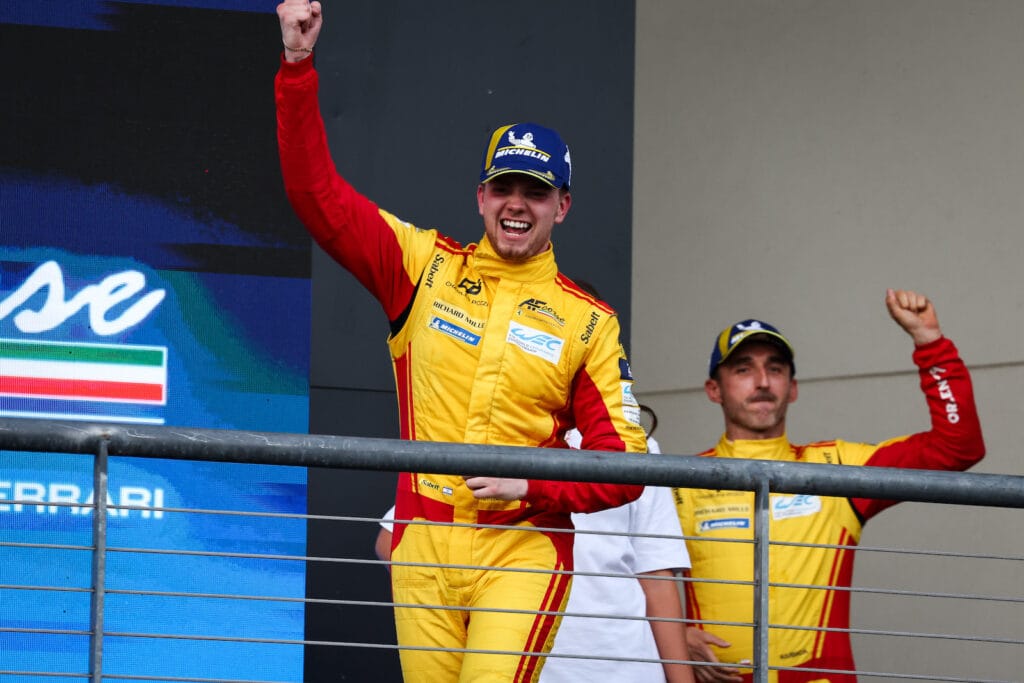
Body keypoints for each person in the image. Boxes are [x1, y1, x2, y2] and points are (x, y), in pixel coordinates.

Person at [275, 2, 648, 681]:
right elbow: (316, 196)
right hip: (424, 545)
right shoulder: (422, 266)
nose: (516, 203)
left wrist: (532, 479)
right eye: (503, 186)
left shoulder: (589, 320)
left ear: (562, 205)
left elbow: (623, 464)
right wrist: (298, 68)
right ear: (479, 195)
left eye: (534, 192)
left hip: (524, 548)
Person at [674, 289, 985, 683]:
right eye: (742, 369)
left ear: (794, 387)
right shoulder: (682, 481)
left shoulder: (837, 466)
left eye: (776, 368)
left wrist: (930, 343)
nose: (763, 381)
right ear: (714, 389)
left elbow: (957, 447)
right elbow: (623, 581)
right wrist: (674, 636)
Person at [375, 397, 695, 682]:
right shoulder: (495, 435)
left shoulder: (634, 443)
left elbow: (655, 576)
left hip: (628, 664)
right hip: (519, 658)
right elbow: (393, 540)